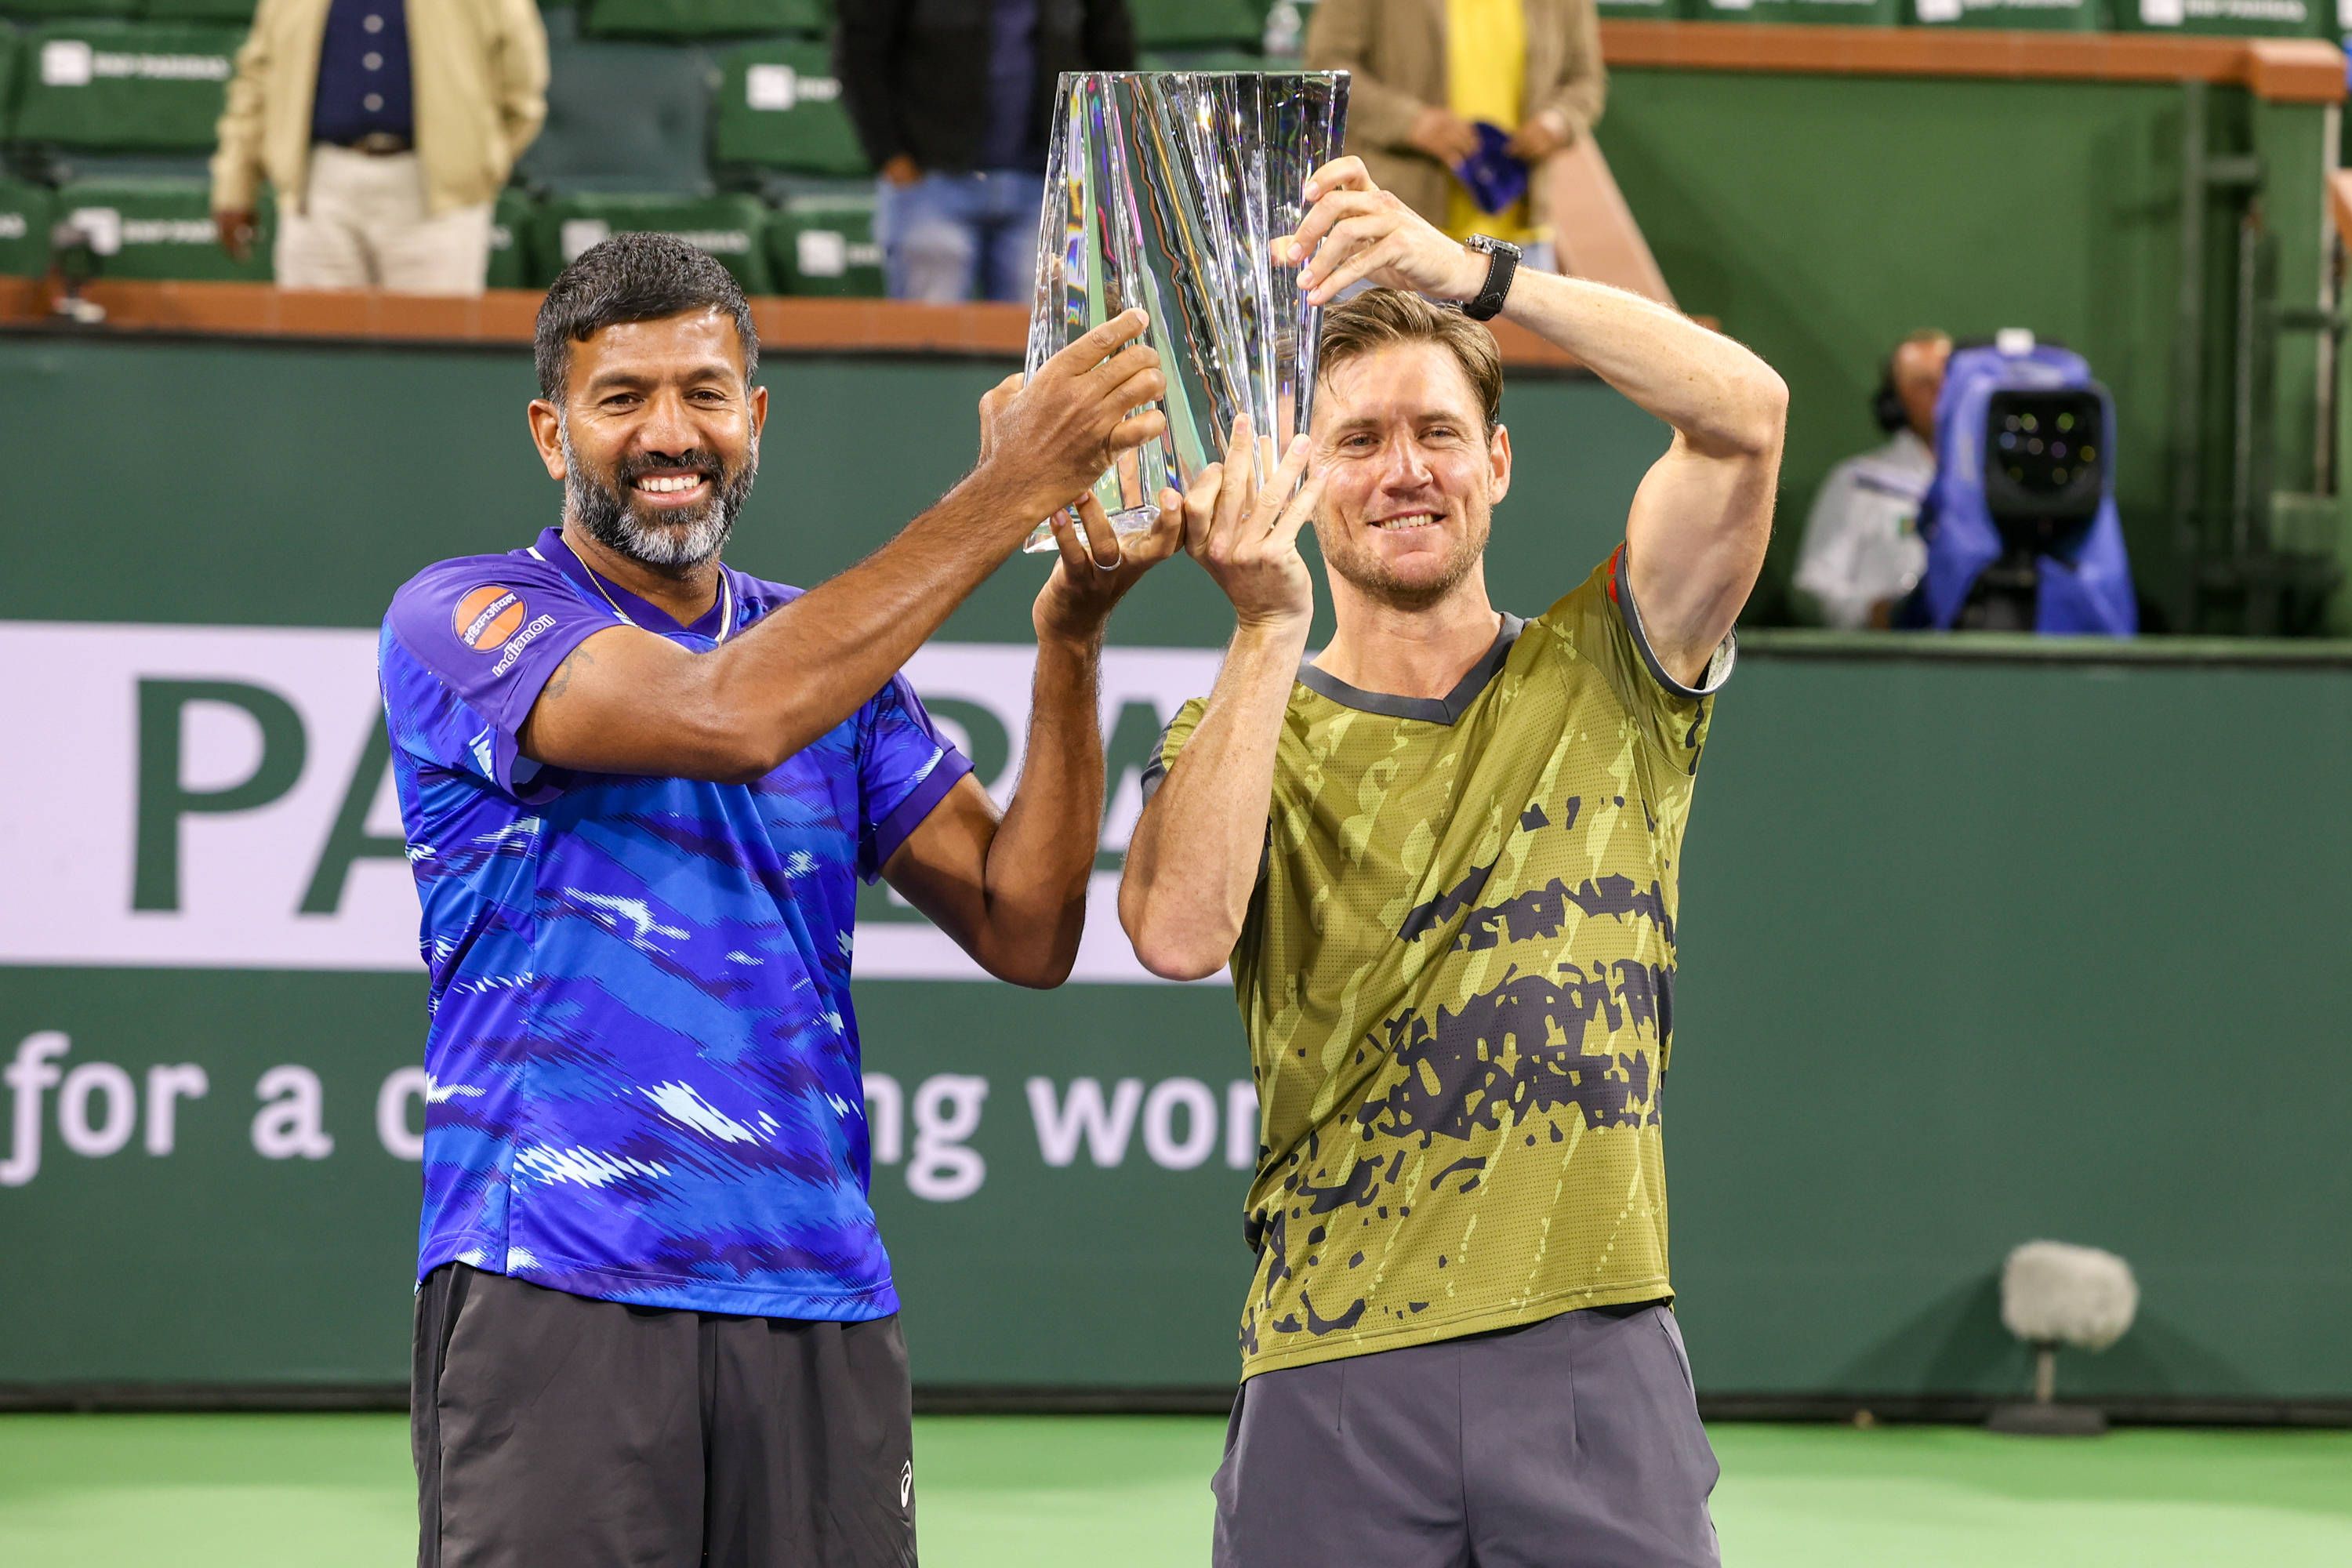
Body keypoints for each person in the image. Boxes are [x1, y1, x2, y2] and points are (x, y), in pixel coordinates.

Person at [382, 233, 1174, 1566]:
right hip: (558, 1285)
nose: (666, 434)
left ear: (754, 419)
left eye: (702, 392)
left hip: (819, 1295)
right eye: (620, 398)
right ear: (550, 431)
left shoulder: (826, 654)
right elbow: (727, 714)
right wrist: (1006, 489)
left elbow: (1025, 924)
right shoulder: (463, 616)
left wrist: (1071, 641)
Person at [1119, 161, 1784, 1567]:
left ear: (1497, 459)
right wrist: (1261, 630)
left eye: (1437, 431)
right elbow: (1178, 931)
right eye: (1357, 441)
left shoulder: (1617, 659)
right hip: (1332, 1363)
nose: (1403, 470)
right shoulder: (1244, 721)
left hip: (1594, 1351)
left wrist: (1477, 274)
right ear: (1304, 471)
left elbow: (1747, 418)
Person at [212, 0, 547, 296]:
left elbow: (521, 87)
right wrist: (236, 181)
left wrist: (479, 164)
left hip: (436, 193)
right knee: (314, 351)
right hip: (318, 186)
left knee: (435, 351)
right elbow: (256, 81)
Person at [836, 0, 1134, 303]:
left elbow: (1113, 57)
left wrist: (1089, 158)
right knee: (929, 338)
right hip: (930, 184)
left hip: (1047, 187)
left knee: (1041, 340)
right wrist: (889, 155)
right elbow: (860, 53)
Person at [1306, 0, 1606, 275]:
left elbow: (1585, 81)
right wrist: (1411, 123)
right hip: (1396, 235)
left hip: (1522, 239)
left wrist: (1559, 122)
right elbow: (1327, 66)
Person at [1794, 329, 1951, 630]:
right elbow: (1811, 588)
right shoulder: (1859, 482)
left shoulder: (1990, 488)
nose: (1940, 391)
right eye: (1923, 383)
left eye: (1948, 380)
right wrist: (1872, 613)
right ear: (1894, 401)